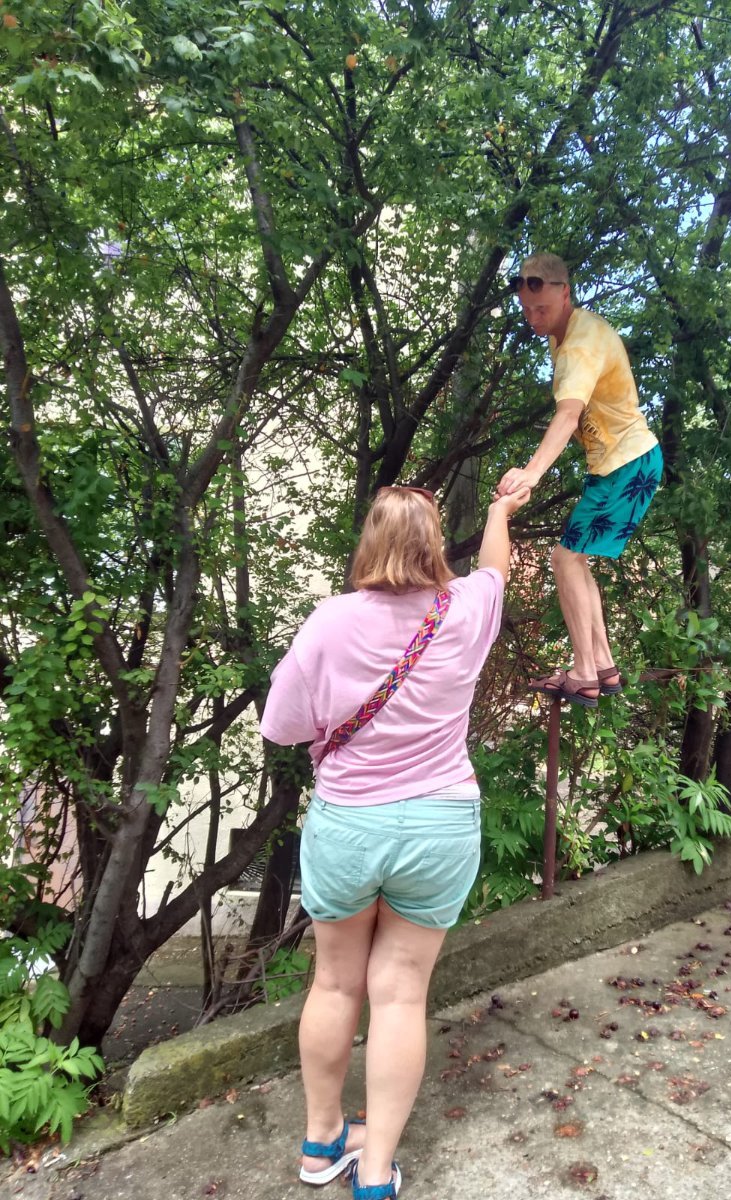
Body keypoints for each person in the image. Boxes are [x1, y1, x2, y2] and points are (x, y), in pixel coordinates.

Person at [259, 482, 530, 1200]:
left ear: (370, 542)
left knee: (334, 982)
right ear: (434, 544)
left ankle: (322, 1143)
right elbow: (496, 567)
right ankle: (376, 1171)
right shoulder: (466, 609)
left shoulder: (329, 621)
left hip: (348, 824)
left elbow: (280, 726)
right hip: (440, 826)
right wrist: (499, 512)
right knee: (402, 995)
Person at [495, 252, 663, 706]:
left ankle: (585, 672)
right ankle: (602, 664)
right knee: (574, 558)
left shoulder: (579, 345)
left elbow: (569, 415)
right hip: (618, 464)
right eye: (527, 310)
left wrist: (530, 473)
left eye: (542, 309)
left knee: (564, 559)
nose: (534, 319)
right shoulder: (566, 333)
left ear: (565, 293)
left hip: (628, 463)